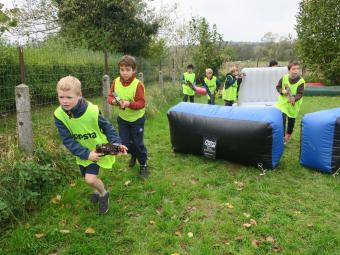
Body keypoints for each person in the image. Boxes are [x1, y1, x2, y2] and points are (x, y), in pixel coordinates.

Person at [54, 76, 127, 214]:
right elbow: (67, 140)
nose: (64, 101)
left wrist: (116, 144)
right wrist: (86, 154)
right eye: (61, 97)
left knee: (90, 178)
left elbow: (108, 127)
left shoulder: (92, 110)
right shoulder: (59, 115)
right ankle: (95, 191)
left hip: (99, 149)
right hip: (82, 152)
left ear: (79, 95)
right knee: (85, 176)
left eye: (69, 97)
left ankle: (103, 193)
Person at [108, 55, 149, 177]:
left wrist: (129, 104)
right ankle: (134, 154)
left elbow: (142, 103)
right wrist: (114, 102)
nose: (124, 73)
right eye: (122, 70)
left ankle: (143, 164)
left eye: (127, 70)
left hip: (137, 119)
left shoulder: (138, 85)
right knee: (124, 143)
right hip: (123, 119)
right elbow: (110, 96)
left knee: (138, 143)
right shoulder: (115, 82)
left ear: (133, 70)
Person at [276, 60, 305, 144]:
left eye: (297, 69)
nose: (296, 71)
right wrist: (282, 91)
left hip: (294, 104)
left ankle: (288, 135)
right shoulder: (284, 78)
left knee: (291, 120)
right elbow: (278, 87)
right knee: (282, 117)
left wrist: (294, 99)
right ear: (289, 70)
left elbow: (300, 93)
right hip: (283, 103)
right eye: (293, 69)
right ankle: (282, 136)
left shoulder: (301, 81)